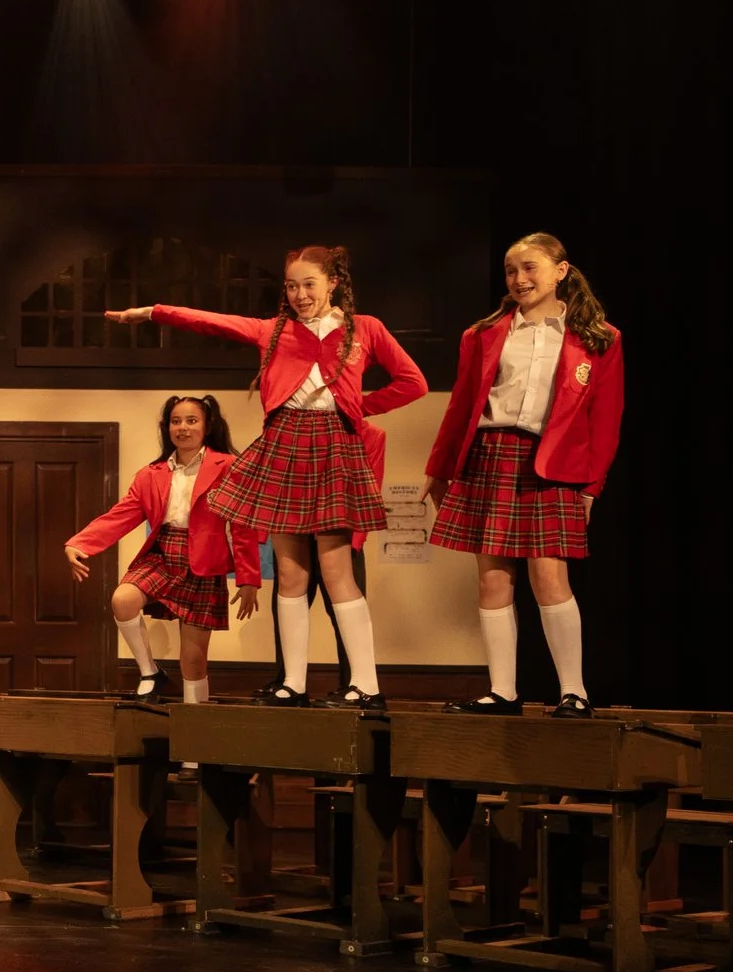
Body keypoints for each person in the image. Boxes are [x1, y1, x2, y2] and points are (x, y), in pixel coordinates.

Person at [108, 246, 425, 709]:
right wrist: (154, 312)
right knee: (291, 573)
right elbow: (212, 321)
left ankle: (367, 687)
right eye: (291, 286)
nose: (299, 294)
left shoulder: (365, 328)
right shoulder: (274, 330)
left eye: (309, 284)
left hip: (333, 446)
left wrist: (357, 407)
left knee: (337, 571)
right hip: (283, 445)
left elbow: (413, 382)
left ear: (333, 283)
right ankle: (292, 683)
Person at [425, 232, 624, 716]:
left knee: (549, 577)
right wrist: (439, 467)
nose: (519, 279)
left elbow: (606, 418)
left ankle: (574, 692)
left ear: (560, 271)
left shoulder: (599, 337)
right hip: (490, 455)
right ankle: (502, 691)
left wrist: (591, 488)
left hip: (552, 462)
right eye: (511, 270)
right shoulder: (482, 334)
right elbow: (460, 406)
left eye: (530, 267)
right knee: (492, 579)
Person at [63, 395, 262, 702]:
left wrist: (249, 579)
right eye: (175, 421)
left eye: (192, 421)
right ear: (167, 427)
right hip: (162, 553)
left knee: (194, 661)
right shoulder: (151, 473)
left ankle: (195, 721)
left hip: (204, 564)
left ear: (208, 426)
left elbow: (243, 525)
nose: (183, 428)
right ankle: (151, 674)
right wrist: (80, 543)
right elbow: (122, 514)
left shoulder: (228, 467)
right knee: (123, 600)